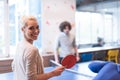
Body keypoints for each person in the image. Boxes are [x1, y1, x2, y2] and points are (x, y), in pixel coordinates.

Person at [12, 16, 65, 80]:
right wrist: (53, 73)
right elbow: (32, 79)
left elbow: (14, 67)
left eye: (37, 27)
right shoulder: (32, 49)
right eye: (31, 28)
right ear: (23, 29)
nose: (36, 31)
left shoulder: (19, 45)